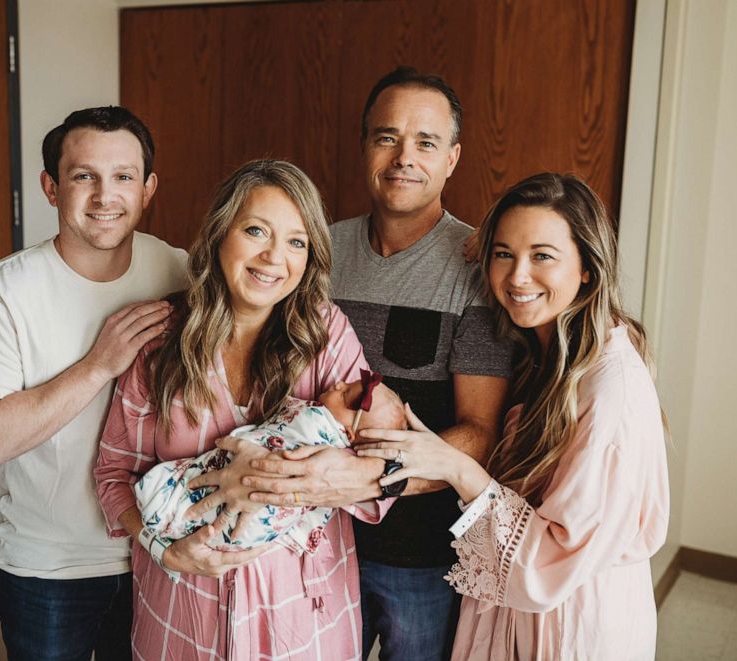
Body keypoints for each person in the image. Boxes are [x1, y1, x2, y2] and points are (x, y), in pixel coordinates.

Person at [214, 66, 513, 660]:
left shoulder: (478, 271)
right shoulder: (311, 250)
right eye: (386, 137)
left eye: (425, 142)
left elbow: (480, 435)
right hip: (304, 543)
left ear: (452, 159)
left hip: (415, 557)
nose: (404, 157)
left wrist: (369, 479)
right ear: (364, 148)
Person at [357, 172, 670, 660]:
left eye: (543, 256)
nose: (517, 276)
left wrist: (455, 466)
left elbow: (552, 559)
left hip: (565, 621)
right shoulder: (540, 349)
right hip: (512, 605)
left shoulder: (612, 391)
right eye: (504, 254)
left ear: (588, 266)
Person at [95, 159, 392, 660]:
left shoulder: (326, 333)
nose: (275, 257)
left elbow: (388, 459)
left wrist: (276, 479)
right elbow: (113, 473)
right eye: (256, 230)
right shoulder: (160, 344)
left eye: (297, 242)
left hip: (302, 613)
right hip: (182, 610)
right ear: (219, 235)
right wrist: (165, 550)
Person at [0, 106, 188, 661]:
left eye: (123, 176)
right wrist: (98, 365)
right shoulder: (3, 293)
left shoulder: (180, 271)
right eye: (84, 176)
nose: (105, 196)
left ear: (147, 188)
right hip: (48, 568)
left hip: (157, 552)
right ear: (51, 188)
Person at [136, 371, 404, 554]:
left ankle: (170, 510)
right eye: (347, 384)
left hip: (262, 525)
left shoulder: (319, 425)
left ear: (348, 434)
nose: (339, 384)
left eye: (347, 396)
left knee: (212, 509)